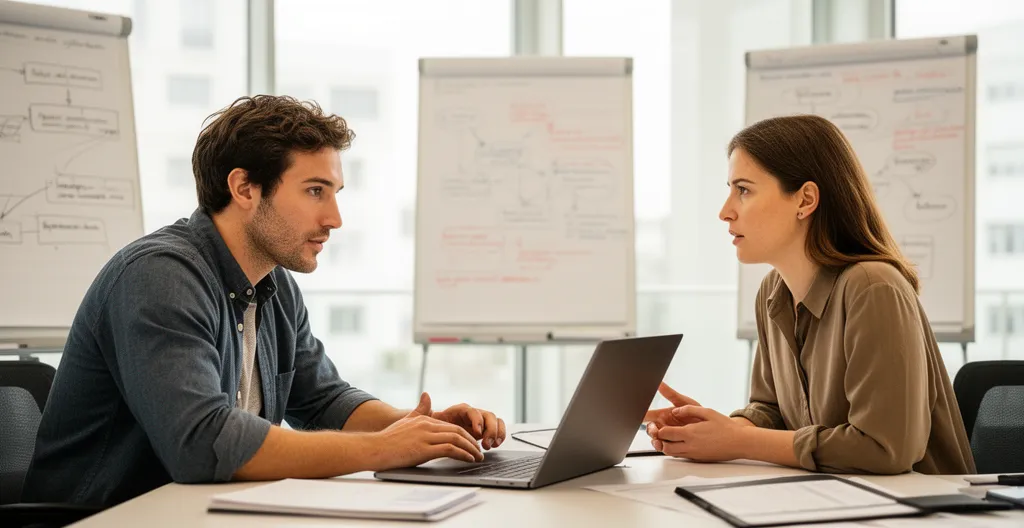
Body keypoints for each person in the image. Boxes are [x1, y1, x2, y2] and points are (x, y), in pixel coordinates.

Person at [24, 95, 506, 507]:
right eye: (315, 191)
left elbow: (324, 400)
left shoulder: (274, 284)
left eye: (335, 192)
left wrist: (423, 427)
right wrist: (383, 449)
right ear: (244, 188)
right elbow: (203, 443)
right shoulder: (159, 277)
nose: (335, 218)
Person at [645, 114, 975, 475]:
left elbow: (885, 448)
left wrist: (738, 442)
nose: (726, 212)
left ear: (805, 199)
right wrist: (714, 430)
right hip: (836, 499)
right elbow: (771, 410)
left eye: (743, 189)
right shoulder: (773, 291)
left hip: (922, 509)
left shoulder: (873, 287)